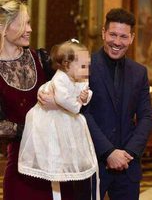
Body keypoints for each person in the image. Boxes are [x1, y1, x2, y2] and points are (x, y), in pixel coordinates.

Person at [81, 8, 152, 200]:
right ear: (103, 33)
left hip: (128, 166)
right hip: (92, 162)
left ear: (131, 38)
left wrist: (128, 153)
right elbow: (82, 114)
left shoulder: (140, 72)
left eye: (123, 36)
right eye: (112, 34)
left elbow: (146, 117)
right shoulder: (83, 66)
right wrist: (109, 152)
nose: (117, 42)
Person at [18, 40, 98, 199]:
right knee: (52, 150)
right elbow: (63, 100)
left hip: (65, 117)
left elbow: (86, 92)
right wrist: (77, 105)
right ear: (67, 65)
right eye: (83, 66)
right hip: (48, 118)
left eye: (88, 65)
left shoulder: (82, 77)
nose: (87, 70)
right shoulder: (60, 79)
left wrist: (85, 97)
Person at [0, 0, 54, 199]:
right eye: (24, 24)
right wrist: (35, 130)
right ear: (4, 28)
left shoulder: (42, 58)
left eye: (30, 22)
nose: (30, 29)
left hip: (54, 161)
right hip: (21, 166)